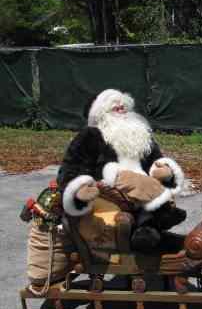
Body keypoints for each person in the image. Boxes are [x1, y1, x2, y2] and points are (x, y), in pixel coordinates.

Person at [57, 89, 186, 250]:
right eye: (115, 107)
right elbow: (70, 169)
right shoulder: (91, 135)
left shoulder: (141, 135)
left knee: (147, 188)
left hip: (142, 194)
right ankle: (155, 220)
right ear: (100, 112)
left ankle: (147, 232)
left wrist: (165, 172)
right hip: (109, 192)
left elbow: (156, 161)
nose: (121, 107)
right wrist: (78, 190)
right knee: (136, 185)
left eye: (123, 106)